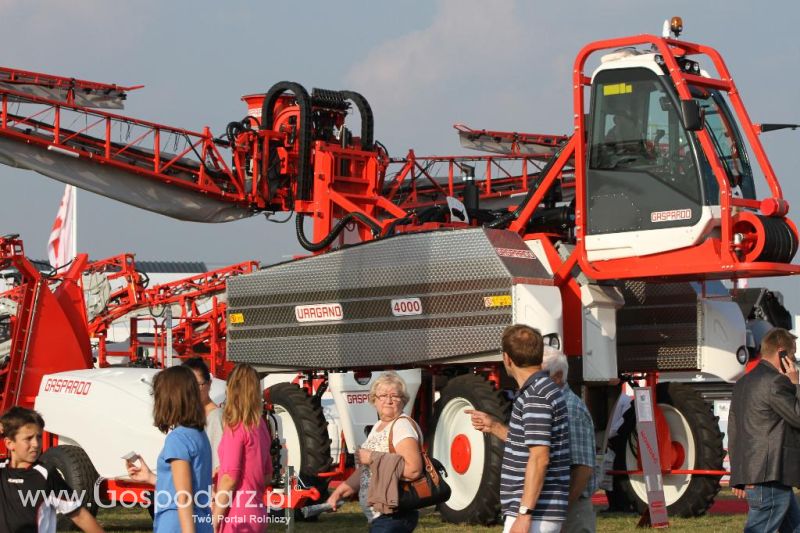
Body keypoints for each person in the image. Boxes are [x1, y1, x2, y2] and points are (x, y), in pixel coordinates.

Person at [465, 324, 570, 533]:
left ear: (507, 359)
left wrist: (524, 514)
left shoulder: (536, 396)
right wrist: (494, 427)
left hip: (535, 514)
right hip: (538, 511)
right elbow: (530, 444)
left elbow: (540, 457)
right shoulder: (542, 389)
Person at [326, 372, 423, 532]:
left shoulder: (401, 426)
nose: (389, 400)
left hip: (395, 515)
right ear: (374, 400)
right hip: (381, 516)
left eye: (395, 395)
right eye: (383, 395)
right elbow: (366, 470)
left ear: (404, 400)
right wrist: (339, 492)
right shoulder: (378, 426)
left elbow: (413, 469)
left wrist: (372, 457)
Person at [729, 327, 800, 533]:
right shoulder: (776, 382)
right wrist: (795, 383)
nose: (794, 361)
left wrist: (739, 475)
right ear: (782, 353)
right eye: (793, 354)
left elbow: (735, 430)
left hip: (761, 476)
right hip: (771, 476)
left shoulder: (742, 383)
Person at [126, 366, 213, 533]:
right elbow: (186, 486)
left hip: (177, 524)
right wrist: (150, 477)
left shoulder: (178, 438)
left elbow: (184, 496)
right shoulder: (198, 434)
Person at [0, 406, 104, 533]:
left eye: (38, 437)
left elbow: (81, 516)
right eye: (28, 438)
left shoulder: (45, 474)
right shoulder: (2, 470)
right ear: (9, 443)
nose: (36, 444)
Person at [211, 364, 272, 532]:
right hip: (257, 509)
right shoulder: (260, 426)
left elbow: (230, 478)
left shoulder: (235, 428)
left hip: (237, 513)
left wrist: (216, 517)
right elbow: (267, 475)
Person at [542, 348, 596, 533]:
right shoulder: (555, 405)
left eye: (541, 375)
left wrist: (560, 509)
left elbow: (583, 468)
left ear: (557, 377)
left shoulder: (571, 410)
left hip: (572, 511)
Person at [183, 357, 224, 473]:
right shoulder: (187, 416)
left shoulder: (216, 417)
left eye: (198, 384)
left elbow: (217, 466)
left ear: (209, 383)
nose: (193, 390)